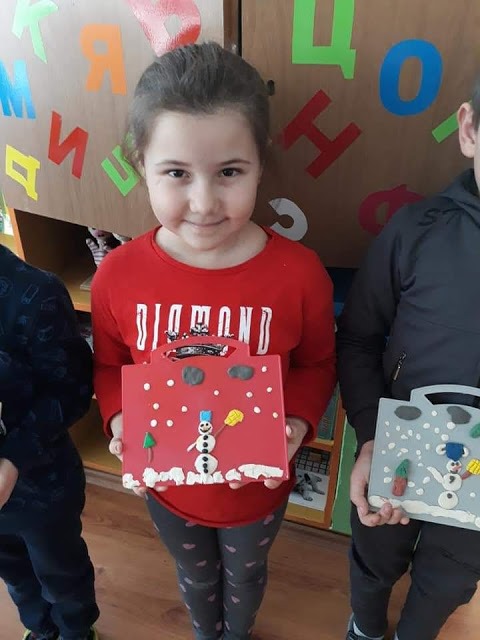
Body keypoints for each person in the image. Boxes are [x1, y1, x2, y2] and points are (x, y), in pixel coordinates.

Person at [91, 41, 336, 640]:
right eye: (176, 173)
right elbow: (110, 363)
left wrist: (297, 423)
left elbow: (317, 364)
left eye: (229, 172)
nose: (203, 204)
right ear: (141, 164)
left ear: (260, 164)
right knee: (194, 576)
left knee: (246, 576)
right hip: (168, 487)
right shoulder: (118, 274)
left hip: (256, 490)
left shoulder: (300, 273)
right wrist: (119, 417)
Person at [337, 76, 480, 640]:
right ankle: (367, 629)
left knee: (450, 578)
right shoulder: (417, 232)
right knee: (375, 554)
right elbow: (358, 338)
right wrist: (372, 437)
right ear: (469, 129)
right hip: (397, 454)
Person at [0, 244, 99, 640]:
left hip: (43, 485)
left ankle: (76, 632)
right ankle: (41, 630)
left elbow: (71, 390)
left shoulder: (34, 292)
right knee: (15, 574)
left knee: (61, 573)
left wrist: (14, 458)